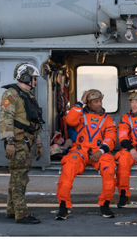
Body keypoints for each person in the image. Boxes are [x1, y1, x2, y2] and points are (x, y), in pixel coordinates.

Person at [56, 88, 118, 219]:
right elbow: (70, 121)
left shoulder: (107, 119)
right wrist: (80, 102)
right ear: (88, 104)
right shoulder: (79, 115)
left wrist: (101, 151)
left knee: (110, 169)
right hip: (80, 150)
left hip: (99, 151)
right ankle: (63, 207)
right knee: (68, 168)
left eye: (100, 101)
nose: (99, 104)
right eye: (95, 102)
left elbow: (111, 138)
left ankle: (105, 206)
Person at [0, 63, 45, 225]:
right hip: (18, 143)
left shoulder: (27, 96)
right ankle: (21, 213)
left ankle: (12, 210)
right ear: (25, 77)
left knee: (16, 177)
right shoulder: (12, 95)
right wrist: (9, 142)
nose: (36, 82)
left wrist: (38, 143)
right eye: (34, 78)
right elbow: (5, 119)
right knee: (20, 178)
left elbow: (33, 122)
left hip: (27, 141)